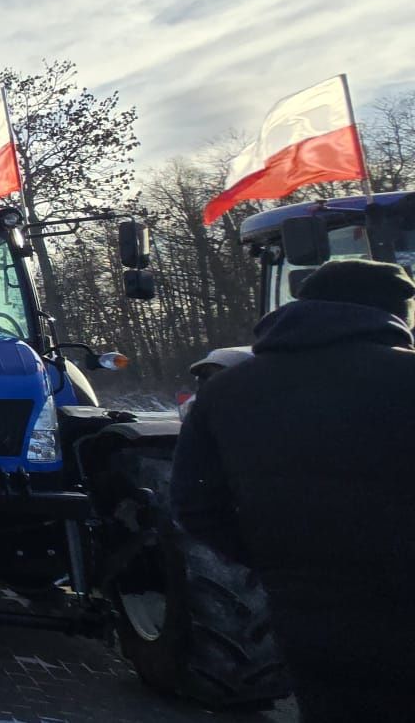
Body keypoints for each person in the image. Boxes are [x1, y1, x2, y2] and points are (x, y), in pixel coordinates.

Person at [173, 258, 415, 720]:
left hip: (305, 614)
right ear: (393, 312)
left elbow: (193, 504)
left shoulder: (227, 391)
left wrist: (276, 561)